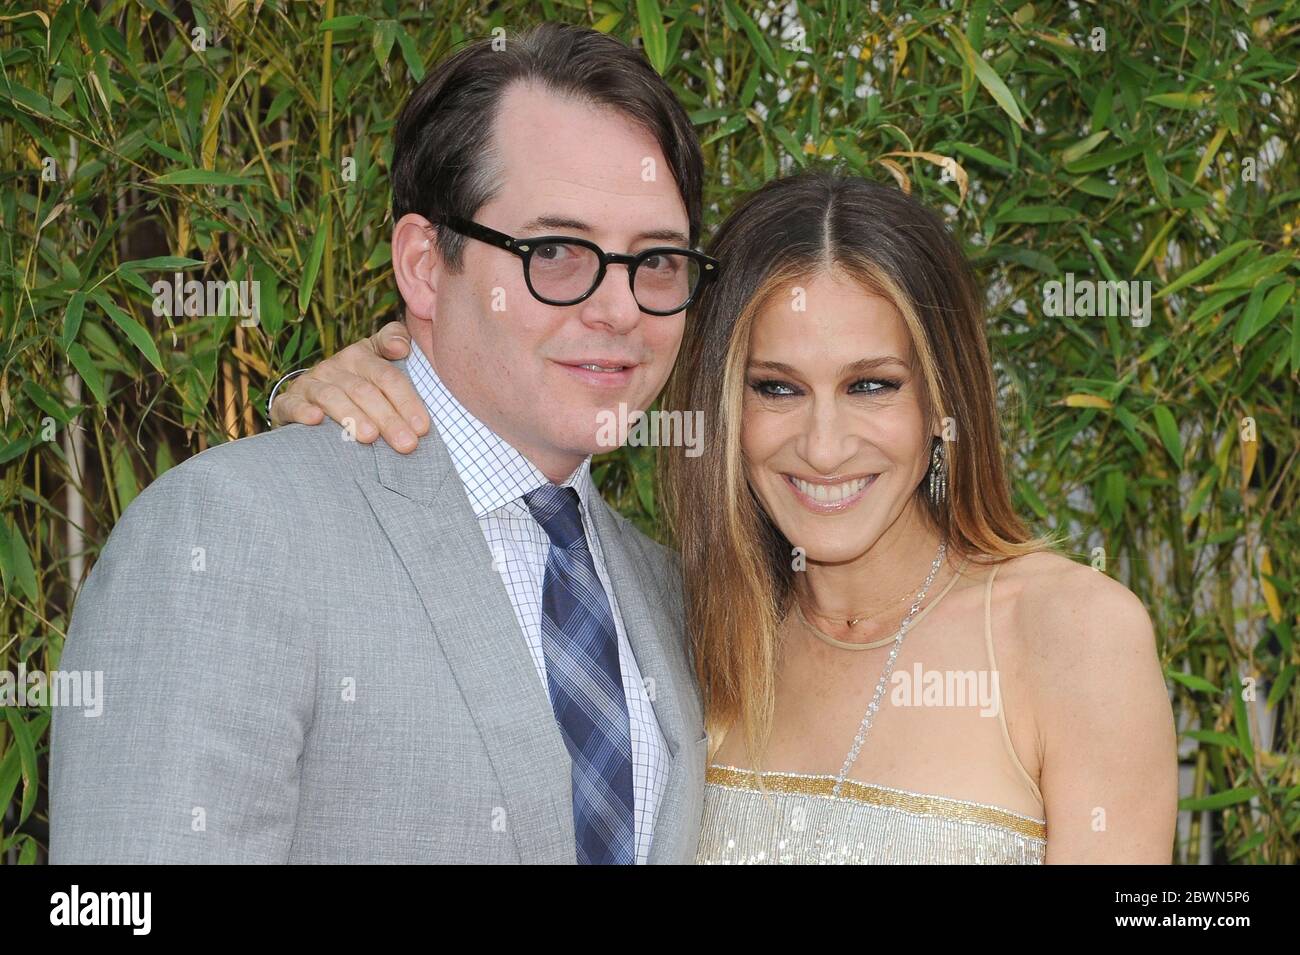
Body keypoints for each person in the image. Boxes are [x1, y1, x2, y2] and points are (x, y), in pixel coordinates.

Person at [274, 171, 1179, 863]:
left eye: (871, 385)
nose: (823, 446)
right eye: (776, 388)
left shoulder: (1071, 636)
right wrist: (346, 406)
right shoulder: (671, 619)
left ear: (944, 400)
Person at [51, 22, 712, 865]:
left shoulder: (669, 590)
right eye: (555, 250)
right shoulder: (229, 535)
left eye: (656, 260)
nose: (619, 308)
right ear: (425, 266)